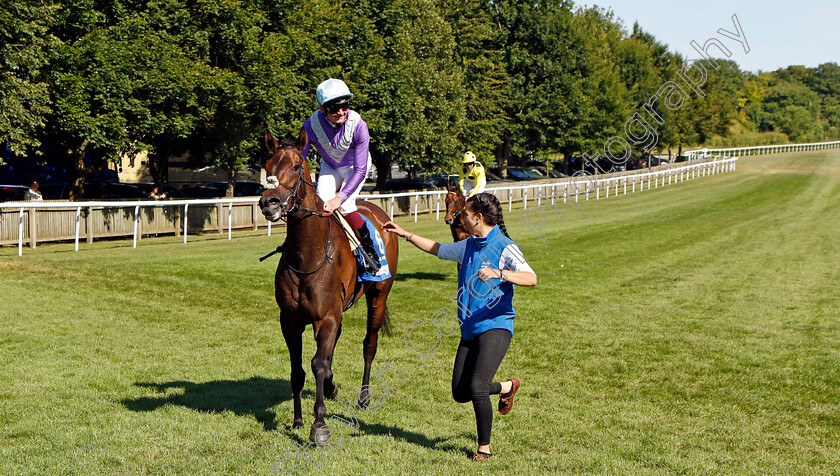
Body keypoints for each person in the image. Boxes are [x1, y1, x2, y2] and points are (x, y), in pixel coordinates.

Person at [382, 192, 537, 461]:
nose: (460, 216)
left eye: (465, 213)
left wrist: (500, 273)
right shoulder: (468, 245)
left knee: (477, 386)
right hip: (470, 327)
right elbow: (437, 249)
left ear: (478, 217)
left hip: (496, 324)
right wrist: (405, 233)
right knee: (460, 392)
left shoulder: (505, 246)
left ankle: (484, 450)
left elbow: (531, 277)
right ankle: (507, 388)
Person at [298, 78, 380, 274]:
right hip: (330, 166)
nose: (341, 112)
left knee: (344, 205)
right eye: (334, 107)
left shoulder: (359, 125)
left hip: (355, 166)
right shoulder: (310, 125)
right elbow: (300, 159)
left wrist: (339, 197)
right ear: (322, 108)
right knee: (320, 203)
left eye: (345, 106)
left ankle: (370, 251)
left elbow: (361, 170)